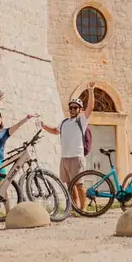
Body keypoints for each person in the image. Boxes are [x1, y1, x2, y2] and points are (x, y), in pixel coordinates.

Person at [41, 81, 95, 212]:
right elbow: (55, 131)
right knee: (69, 185)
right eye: (71, 107)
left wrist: (91, 91)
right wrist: (43, 126)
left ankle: (83, 209)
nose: (72, 109)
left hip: (77, 157)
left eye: (75, 108)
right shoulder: (64, 122)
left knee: (79, 185)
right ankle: (74, 207)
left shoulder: (81, 121)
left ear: (79, 109)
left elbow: (90, 109)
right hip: (65, 158)